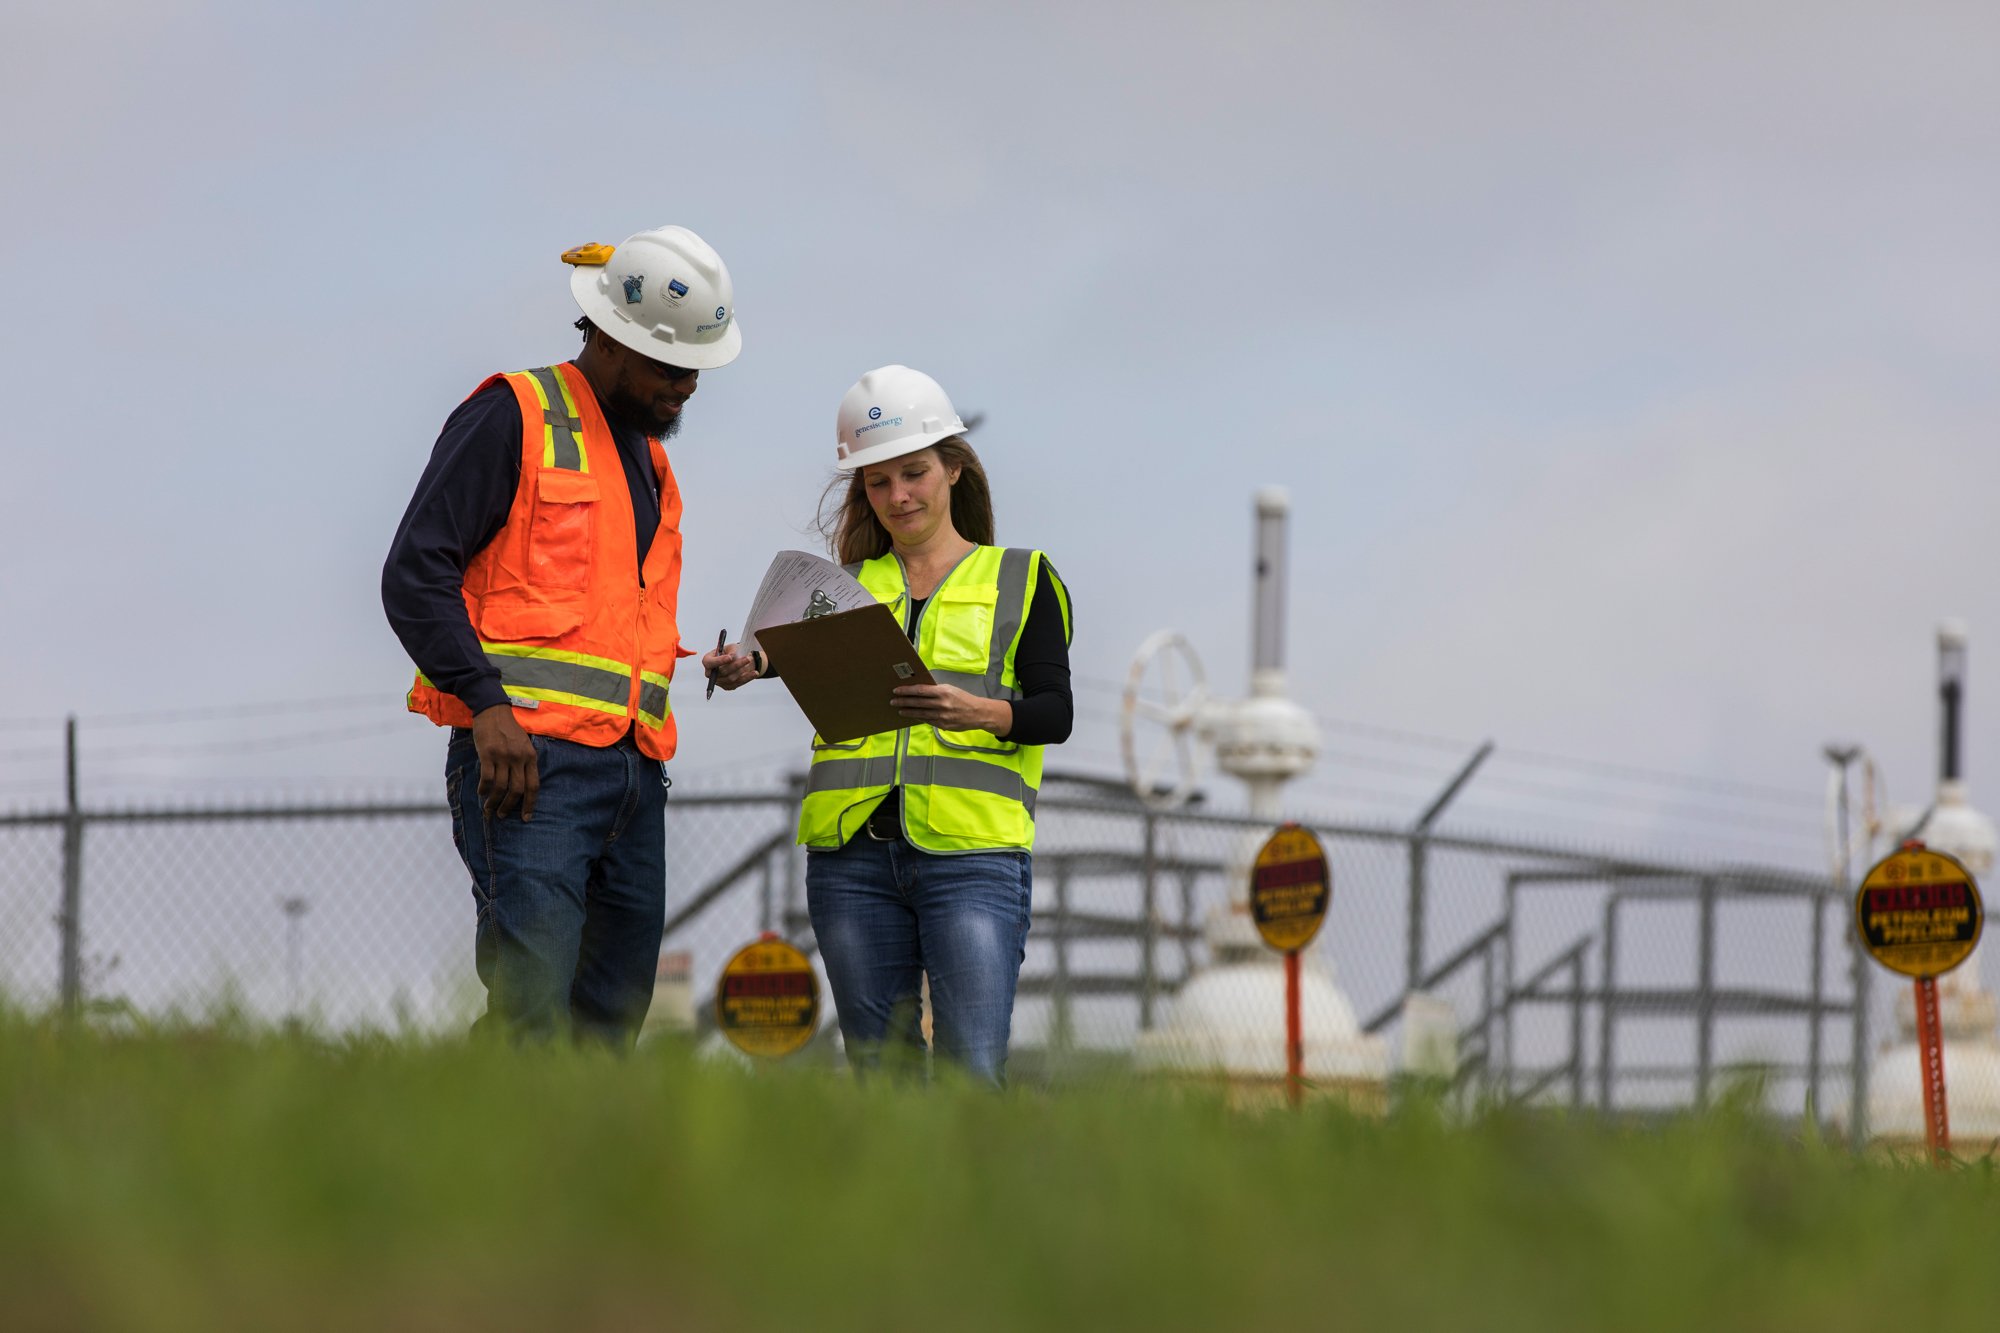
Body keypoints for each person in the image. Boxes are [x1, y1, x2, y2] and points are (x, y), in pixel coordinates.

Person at [383, 226, 743, 1046]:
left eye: (698, 368)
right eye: (670, 366)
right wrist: (486, 706)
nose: (687, 386)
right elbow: (413, 572)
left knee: (610, 1020)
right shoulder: (514, 413)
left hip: (633, 774)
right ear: (611, 339)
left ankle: (580, 1173)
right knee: (531, 1012)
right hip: (528, 769)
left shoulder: (648, 464)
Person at [705, 365, 1072, 1085]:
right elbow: (779, 655)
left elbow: (1053, 712)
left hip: (972, 858)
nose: (898, 495)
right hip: (851, 862)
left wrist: (981, 713)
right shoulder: (845, 586)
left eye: (914, 473)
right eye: (878, 482)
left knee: (972, 1076)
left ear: (954, 469)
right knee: (883, 1081)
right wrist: (743, 665)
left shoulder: (1022, 578)